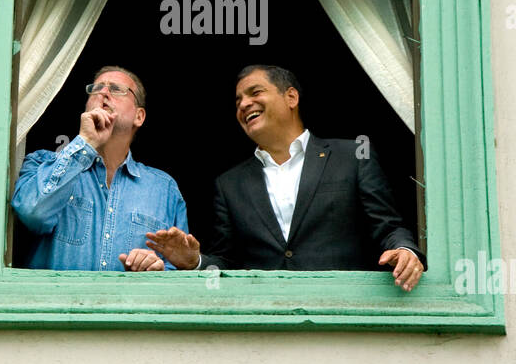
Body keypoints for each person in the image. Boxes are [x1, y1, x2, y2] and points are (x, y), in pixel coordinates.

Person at [147, 65, 425, 290]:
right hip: (265, 326)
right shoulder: (230, 184)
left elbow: (388, 227)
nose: (244, 104)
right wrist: (194, 262)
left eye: (255, 92)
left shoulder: (352, 156)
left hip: (343, 316)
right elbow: (226, 263)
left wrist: (405, 251)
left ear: (291, 98)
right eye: (238, 101)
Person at [12, 66, 187, 271]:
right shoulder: (42, 163)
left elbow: (179, 268)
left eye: (116, 89)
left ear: (139, 116)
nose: (103, 93)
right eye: (96, 88)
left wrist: (157, 271)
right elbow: (33, 213)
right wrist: (85, 142)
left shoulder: (163, 188)